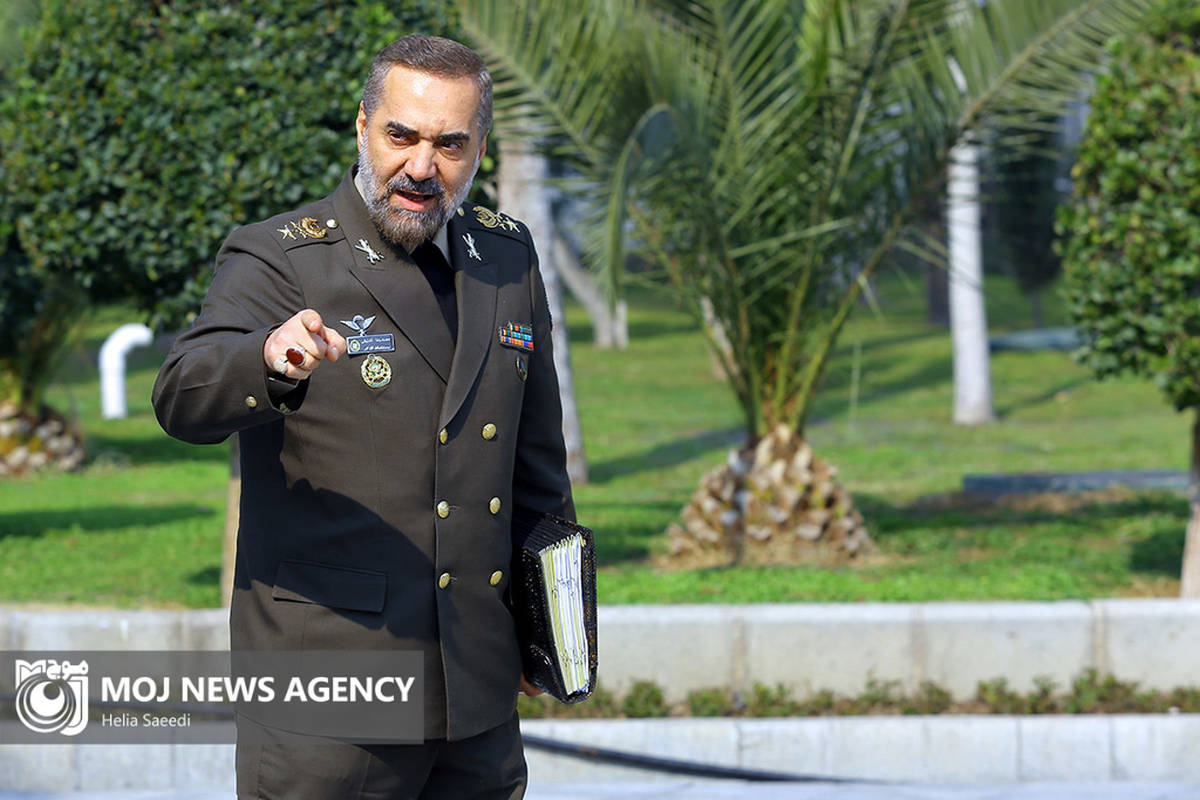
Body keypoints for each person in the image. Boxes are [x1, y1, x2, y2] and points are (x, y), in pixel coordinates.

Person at [152, 34, 574, 799]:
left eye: (449, 144)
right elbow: (181, 393)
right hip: (331, 688)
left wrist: (549, 631)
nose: (421, 167)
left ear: (480, 147)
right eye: (400, 136)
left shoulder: (506, 258)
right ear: (362, 127)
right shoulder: (282, 256)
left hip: (475, 684)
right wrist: (266, 360)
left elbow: (536, 464)